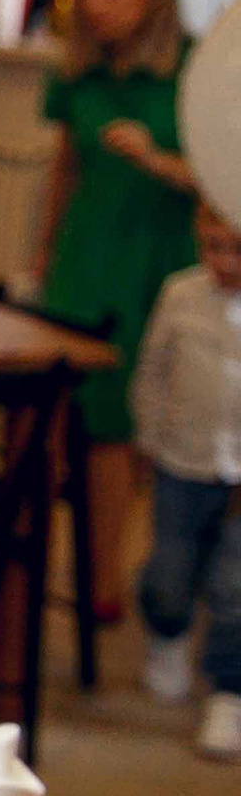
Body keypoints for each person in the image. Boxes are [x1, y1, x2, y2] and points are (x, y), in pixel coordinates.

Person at [39, 0, 199, 619]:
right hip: (85, 257)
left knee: (117, 427)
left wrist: (155, 159)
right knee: (58, 414)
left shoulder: (194, 72)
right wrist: (43, 253)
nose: (97, 4)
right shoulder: (80, 76)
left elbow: (223, 181)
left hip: (159, 263)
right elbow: (65, 171)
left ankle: (105, 582)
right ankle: (30, 570)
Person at [132, 204, 241, 761]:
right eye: (212, 246)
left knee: (235, 584)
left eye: (236, 249)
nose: (223, 261)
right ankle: (167, 631)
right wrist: (148, 437)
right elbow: (152, 369)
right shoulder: (181, 294)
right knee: (171, 567)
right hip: (182, 459)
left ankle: (228, 690)